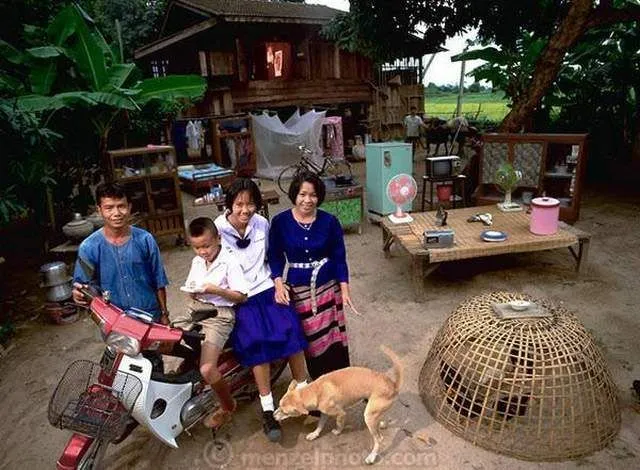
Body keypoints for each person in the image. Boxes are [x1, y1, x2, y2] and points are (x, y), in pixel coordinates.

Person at [214, 178, 308, 442]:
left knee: (291, 329)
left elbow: (272, 257)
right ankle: (268, 410)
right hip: (239, 296)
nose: (245, 210)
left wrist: (279, 282)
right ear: (229, 205)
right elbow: (208, 260)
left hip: (266, 287)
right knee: (257, 343)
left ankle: (305, 393)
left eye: (250, 204)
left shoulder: (262, 224)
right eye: (239, 204)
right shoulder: (218, 229)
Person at [268, 172, 356, 380]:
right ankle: (319, 384)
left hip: (328, 288)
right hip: (300, 291)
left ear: (319, 197)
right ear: (294, 195)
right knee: (312, 338)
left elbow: (339, 257)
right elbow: (274, 256)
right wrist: (279, 284)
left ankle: (341, 382)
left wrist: (344, 290)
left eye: (313, 195)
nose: (307, 200)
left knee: (334, 335)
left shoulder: (330, 221)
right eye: (302, 194)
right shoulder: (280, 222)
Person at [183, 217, 249, 429]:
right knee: (167, 340)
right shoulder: (197, 262)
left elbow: (241, 296)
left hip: (220, 315)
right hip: (197, 310)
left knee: (207, 369)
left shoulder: (230, 262)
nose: (202, 252)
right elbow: (192, 286)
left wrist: (217, 290)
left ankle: (228, 406)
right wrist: (193, 292)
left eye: (206, 246)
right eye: (197, 247)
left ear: (218, 239)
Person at [72, 182, 170, 324]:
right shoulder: (88, 247)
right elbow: (82, 286)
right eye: (109, 208)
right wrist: (79, 294)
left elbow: (159, 280)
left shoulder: (145, 240)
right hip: (114, 322)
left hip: (150, 317)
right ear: (99, 210)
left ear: (129, 207)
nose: (116, 213)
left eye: (121, 206)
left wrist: (164, 314)